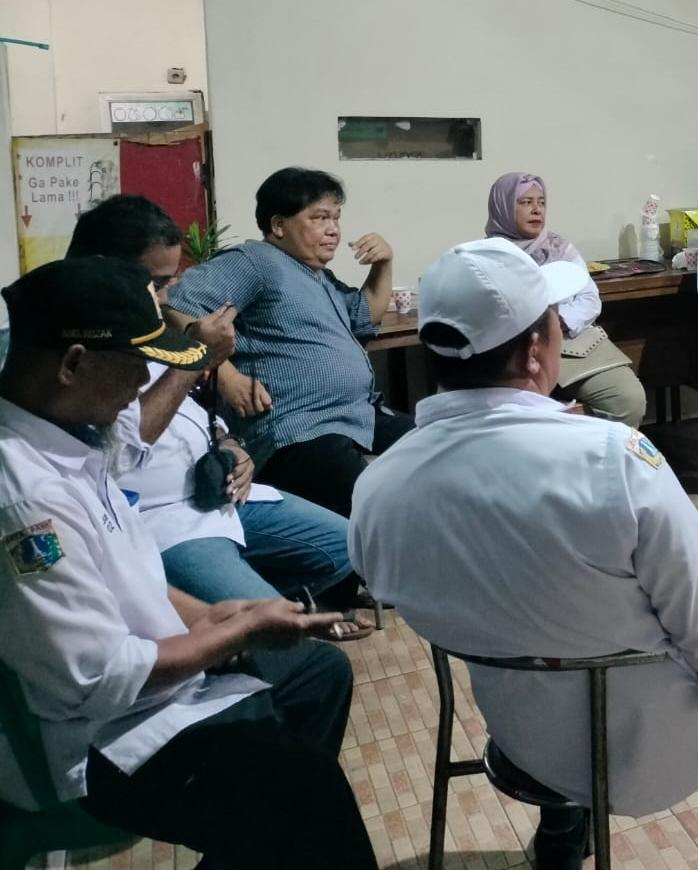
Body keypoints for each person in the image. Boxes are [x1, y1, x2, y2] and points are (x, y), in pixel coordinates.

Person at [350, 238, 698, 870]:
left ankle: (562, 837)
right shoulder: (613, 460)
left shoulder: (381, 486)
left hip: (522, 735)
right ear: (535, 351)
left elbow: (417, 583)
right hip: (644, 745)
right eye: (557, 321)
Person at [0, 257, 376, 868]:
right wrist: (237, 631)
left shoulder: (74, 433)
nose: (140, 386)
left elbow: (128, 573)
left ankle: (256, 845)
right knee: (310, 792)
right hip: (105, 739)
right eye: (135, 367)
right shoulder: (27, 498)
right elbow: (101, 676)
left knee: (317, 675)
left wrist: (215, 614)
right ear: (73, 364)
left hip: (149, 685)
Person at [66, 195, 364, 628]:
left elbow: (190, 413)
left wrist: (230, 444)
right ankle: (240, 627)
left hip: (223, 495)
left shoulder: (145, 328)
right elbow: (123, 447)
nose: (164, 298)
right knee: (280, 634)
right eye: (156, 283)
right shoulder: (75, 346)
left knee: (351, 545)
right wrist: (199, 360)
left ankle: (235, 619)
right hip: (163, 516)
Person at [167, 167, 413, 518]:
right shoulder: (256, 261)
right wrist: (227, 377)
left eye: (336, 218)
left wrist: (383, 264)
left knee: (436, 445)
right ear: (279, 225)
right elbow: (175, 307)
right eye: (319, 218)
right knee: (372, 498)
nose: (333, 229)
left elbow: (366, 314)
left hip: (357, 415)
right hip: (297, 428)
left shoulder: (318, 276)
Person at [484, 171, 647, 427]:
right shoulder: (487, 256)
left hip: (572, 345)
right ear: (502, 207)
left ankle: (601, 453)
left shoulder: (559, 247)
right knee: (522, 414)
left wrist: (560, 321)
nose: (537, 210)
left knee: (628, 399)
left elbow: (589, 297)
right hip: (515, 352)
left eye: (541, 202)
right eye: (526, 202)